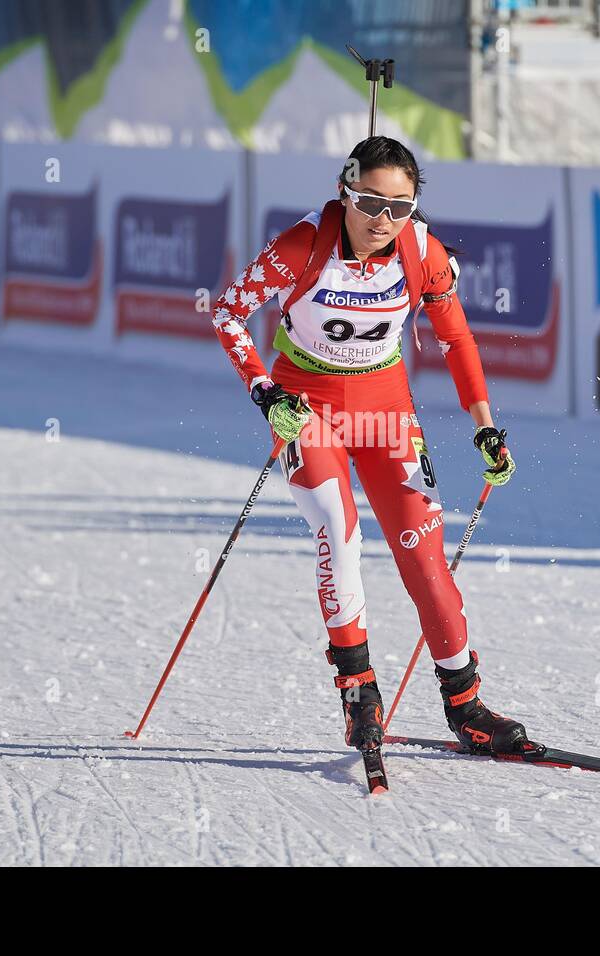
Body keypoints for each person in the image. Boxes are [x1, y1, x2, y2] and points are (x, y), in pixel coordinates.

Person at [209, 136, 527, 755]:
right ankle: (359, 692)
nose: (382, 220)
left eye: (399, 207)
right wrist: (266, 393)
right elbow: (228, 313)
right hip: (308, 408)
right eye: (368, 202)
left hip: (386, 411)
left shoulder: (420, 250)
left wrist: (485, 425)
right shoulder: (304, 244)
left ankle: (467, 707)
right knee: (339, 528)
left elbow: (456, 340)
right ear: (343, 191)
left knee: (423, 557)